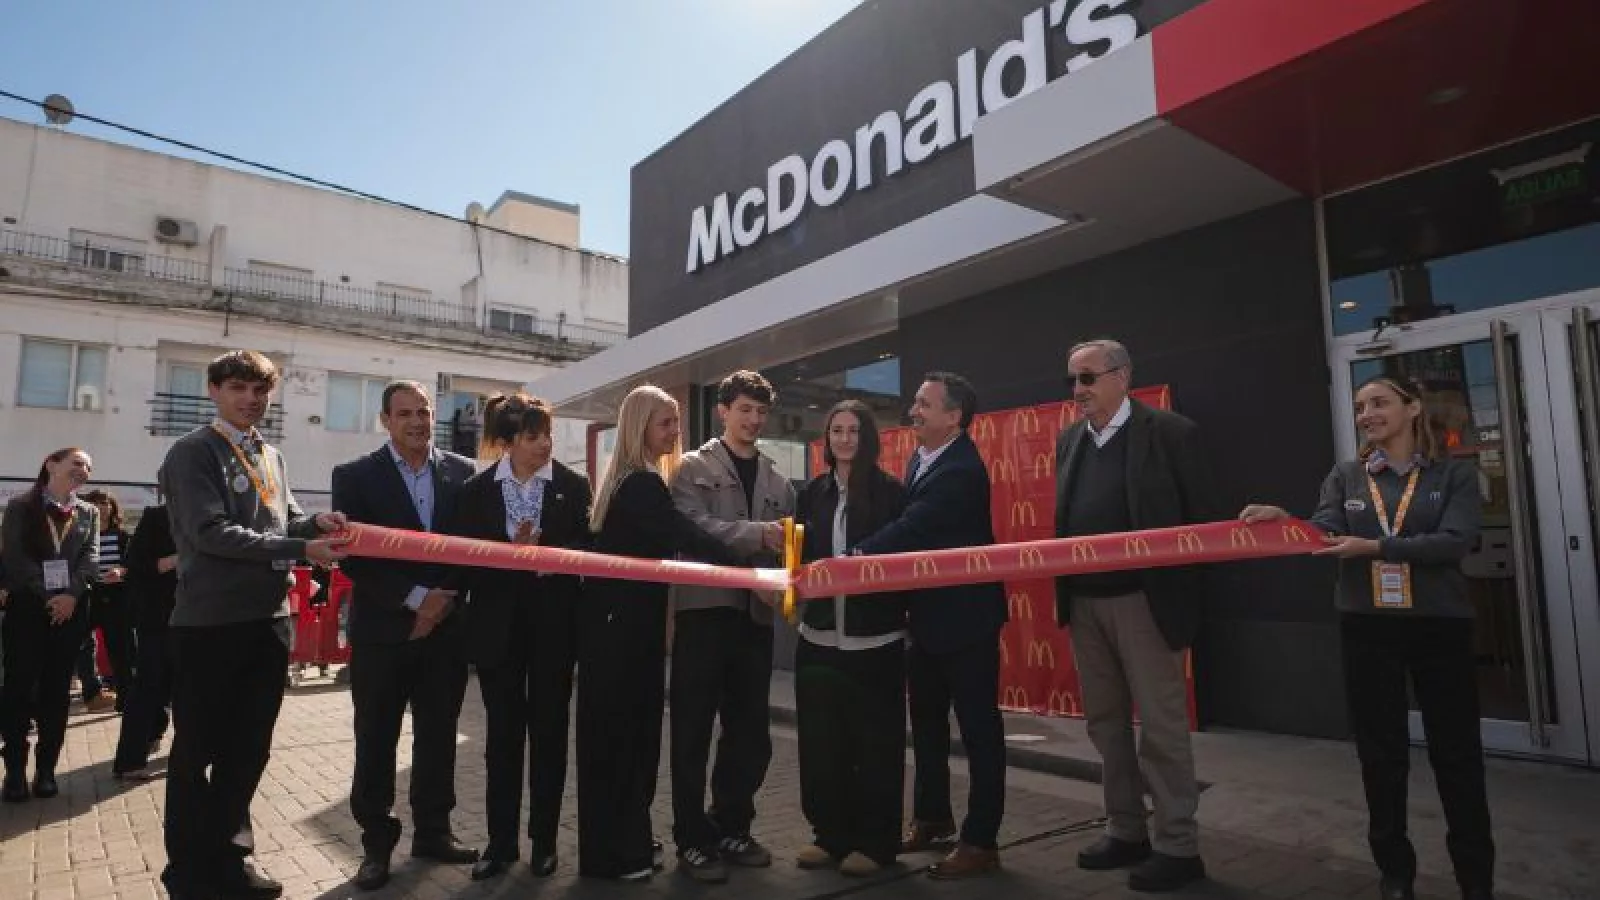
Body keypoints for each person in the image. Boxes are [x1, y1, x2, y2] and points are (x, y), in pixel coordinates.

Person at [1240, 375, 1494, 900]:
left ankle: (1475, 879)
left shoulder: (1453, 474)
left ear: (1413, 408)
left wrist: (1375, 548)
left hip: (1439, 626)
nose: (1367, 414)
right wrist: (1286, 521)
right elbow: (1325, 531)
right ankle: (1395, 874)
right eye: (1360, 407)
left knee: (1457, 757)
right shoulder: (1347, 475)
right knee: (1381, 756)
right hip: (1367, 626)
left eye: (1379, 403)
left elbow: (1455, 541)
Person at [158, 350, 350, 900]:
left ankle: (232, 860)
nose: (251, 399)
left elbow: (283, 518)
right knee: (196, 753)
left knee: (248, 752)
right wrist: (302, 548)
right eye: (238, 387)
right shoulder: (192, 451)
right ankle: (188, 873)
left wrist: (315, 523)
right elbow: (210, 532)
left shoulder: (269, 453)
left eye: (260, 390)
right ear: (214, 390)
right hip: (210, 624)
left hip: (268, 621)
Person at [1053, 338, 1213, 893]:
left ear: (1122, 376)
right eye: (1073, 380)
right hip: (1085, 603)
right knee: (1106, 725)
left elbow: (1202, 521)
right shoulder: (1070, 440)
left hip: (1146, 603)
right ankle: (1125, 829)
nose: (1078, 391)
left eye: (1088, 378)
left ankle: (1178, 846)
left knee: (1162, 729)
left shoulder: (1171, 434)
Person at [575, 385, 738, 882]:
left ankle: (621, 844)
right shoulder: (643, 485)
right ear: (639, 427)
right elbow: (685, 535)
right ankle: (624, 854)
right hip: (626, 639)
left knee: (619, 742)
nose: (675, 433)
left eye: (676, 423)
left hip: (619, 634)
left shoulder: (625, 481)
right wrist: (748, 566)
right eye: (665, 423)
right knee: (630, 743)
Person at [854, 372, 1007, 881]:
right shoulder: (922, 458)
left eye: (924, 403)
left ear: (954, 417)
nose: (913, 410)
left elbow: (913, 527)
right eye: (916, 402)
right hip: (925, 621)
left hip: (966, 623)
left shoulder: (961, 469)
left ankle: (981, 841)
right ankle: (933, 818)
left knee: (979, 732)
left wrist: (855, 558)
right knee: (926, 726)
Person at [331, 380, 478, 891]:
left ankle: (433, 833)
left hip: (446, 631)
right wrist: (415, 599)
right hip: (382, 632)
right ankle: (376, 845)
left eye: (424, 411)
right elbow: (353, 555)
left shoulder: (462, 472)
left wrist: (439, 602)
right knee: (376, 739)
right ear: (386, 421)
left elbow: (472, 546)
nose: (417, 421)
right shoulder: (354, 476)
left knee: (438, 736)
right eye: (405, 413)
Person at [445, 393, 592, 881]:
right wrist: (506, 553)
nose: (544, 444)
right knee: (502, 740)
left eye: (547, 434)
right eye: (532, 436)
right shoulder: (476, 490)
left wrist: (548, 555)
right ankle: (501, 843)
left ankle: (544, 843)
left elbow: (587, 546)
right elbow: (463, 559)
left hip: (554, 630)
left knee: (550, 736)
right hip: (497, 632)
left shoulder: (573, 485)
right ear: (507, 442)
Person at [666, 371, 795, 883]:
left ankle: (733, 827)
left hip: (754, 619)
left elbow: (788, 550)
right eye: (745, 409)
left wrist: (778, 575)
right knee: (692, 732)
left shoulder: (779, 482)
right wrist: (756, 536)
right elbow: (694, 529)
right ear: (723, 411)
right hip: (703, 614)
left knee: (750, 734)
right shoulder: (689, 469)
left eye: (761, 411)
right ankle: (691, 839)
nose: (754, 419)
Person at [792, 400, 909, 877]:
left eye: (853, 430)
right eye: (836, 430)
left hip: (875, 640)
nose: (844, 439)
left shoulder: (891, 493)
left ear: (868, 438)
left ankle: (877, 843)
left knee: (876, 746)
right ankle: (829, 835)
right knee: (823, 745)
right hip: (819, 639)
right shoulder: (811, 494)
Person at [0, 448, 99, 802]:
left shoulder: (88, 512)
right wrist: (48, 596)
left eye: (88, 467)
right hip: (28, 610)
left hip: (69, 614)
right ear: (51, 464)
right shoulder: (20, 507)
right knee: (18, 689)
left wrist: (71, 595)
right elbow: (15, 558)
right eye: (77, 463)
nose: (84, 470)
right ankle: (14, 770)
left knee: (57, 692)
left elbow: (90, 558)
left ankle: (46, 771)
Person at [112, 499, 179, 779]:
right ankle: (130, 760)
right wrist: (174, 561)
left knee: (188, 688)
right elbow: (135, 565)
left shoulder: (215, 516)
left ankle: (188, 753)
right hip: (158, 616)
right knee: (149, 684)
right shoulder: (157, 517)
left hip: (201, 616)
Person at [81, 488, 136, 713]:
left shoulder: (122, 536)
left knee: (120, 649)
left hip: (116, 597)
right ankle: (91, 692)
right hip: (89, 595)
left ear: (112, 507)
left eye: (105, 503)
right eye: (96, 503)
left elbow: (132, 564)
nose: (101, 507)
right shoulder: (82, 535)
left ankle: (125, 697)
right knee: (82, 644)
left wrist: (121, 571)